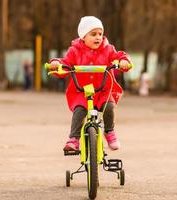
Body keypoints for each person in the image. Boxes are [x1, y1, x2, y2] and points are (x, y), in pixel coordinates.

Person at [48, 16, 132, 151]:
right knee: (79, 110)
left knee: (109, 107)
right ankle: (74, 139)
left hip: (103, 90)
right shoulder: (74, 51)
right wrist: (56, 64)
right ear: (83, 37)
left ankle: (109, 131)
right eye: (93, 34)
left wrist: (124, 61)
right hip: (82, 91)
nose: (98, 37)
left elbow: (119, 56)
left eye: (100, 34)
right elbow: (66, 63)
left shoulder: (108, 49)